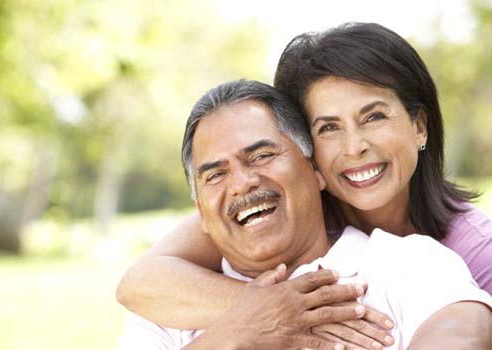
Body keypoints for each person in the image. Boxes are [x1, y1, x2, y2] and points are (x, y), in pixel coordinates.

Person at [116, 22, 492, 347]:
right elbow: (137, 282)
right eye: (328, 127)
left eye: (261, 156)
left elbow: (461, 329)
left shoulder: (424, 261)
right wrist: (258, 317)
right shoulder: (168, 311)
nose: (355, 146)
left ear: (311, 170)